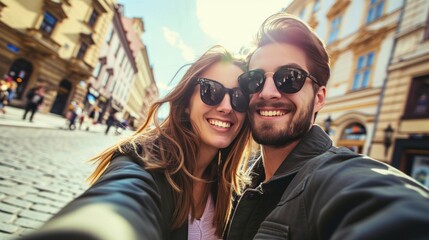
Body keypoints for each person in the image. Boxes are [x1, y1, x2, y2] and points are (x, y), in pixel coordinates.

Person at [224, 13, 429, 239]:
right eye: (255, 79)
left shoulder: (336, 175)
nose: (267, 92)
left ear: (319, 98)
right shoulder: (240, 178)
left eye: (290, 78)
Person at [20, 45, 253, 240]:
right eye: (210, 90)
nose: (226, 106)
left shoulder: (233, 188)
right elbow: (119, 202)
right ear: (186, 102)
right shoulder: (142, 163)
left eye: (239, 97)